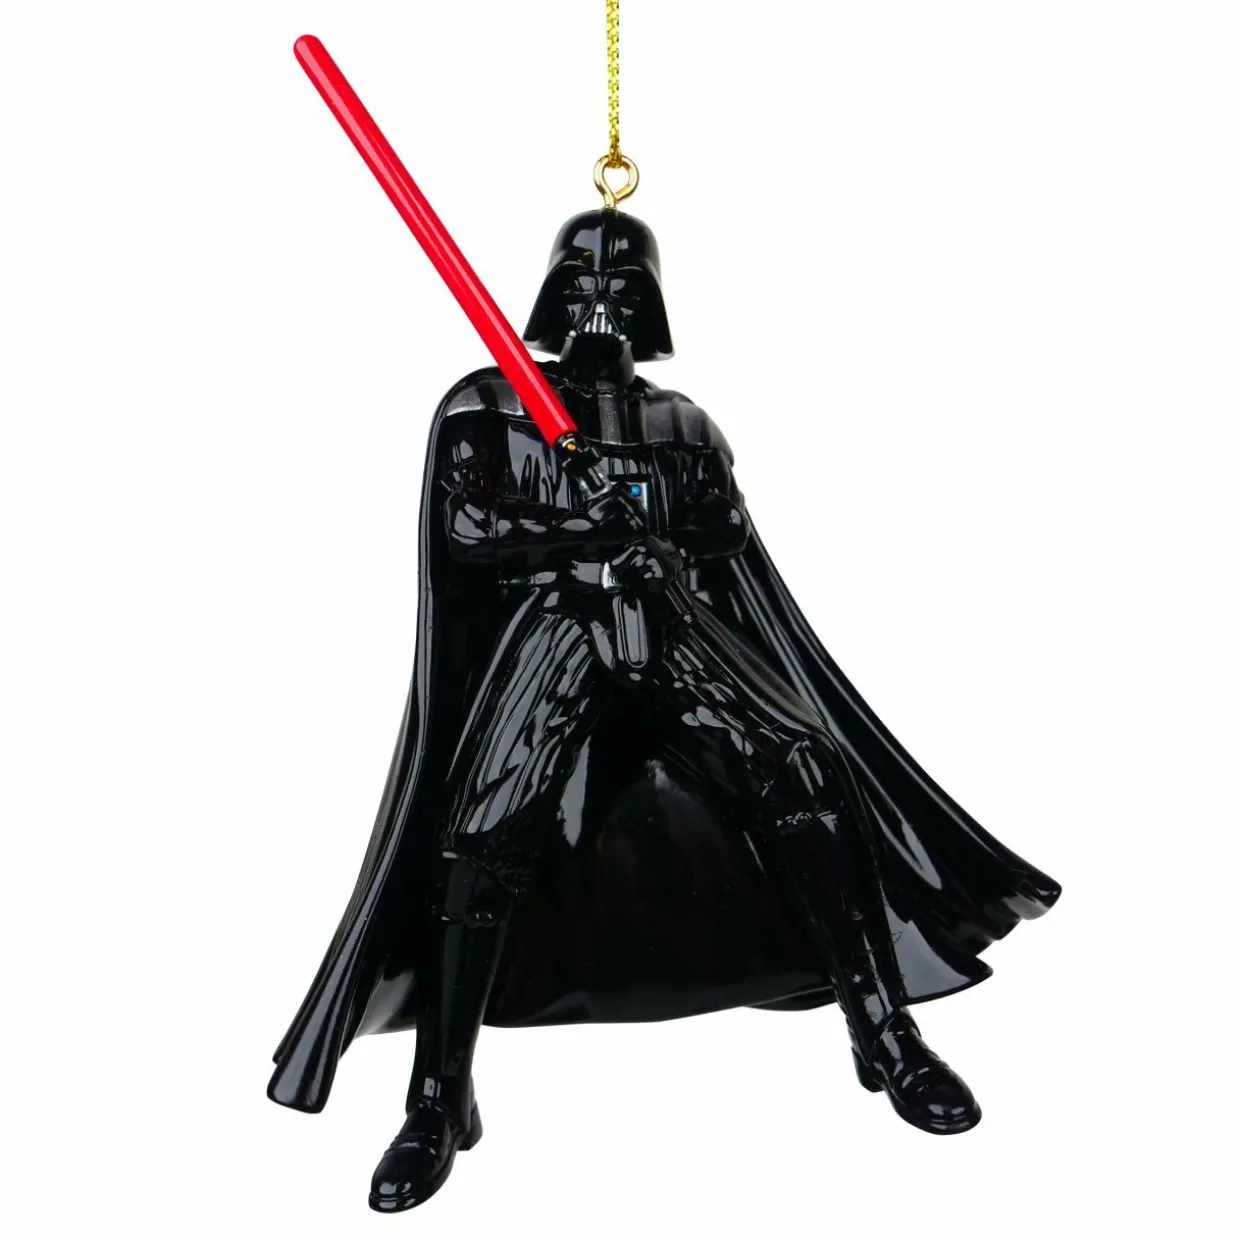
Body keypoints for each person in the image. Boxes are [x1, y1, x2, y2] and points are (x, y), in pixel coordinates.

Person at [268, 209, 1061, 1213]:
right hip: (557, 627)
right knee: (478, 837)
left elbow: (722, 522)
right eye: (582, 289)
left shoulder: (681, 422)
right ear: (551, 298)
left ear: (650, 306)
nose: (600, 309)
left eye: (622, 291)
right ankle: (439, 1096)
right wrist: (575, 524)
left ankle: (882, 1030)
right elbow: (465, 529)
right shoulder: (487, 403)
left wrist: (645, 514)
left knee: (806, 770)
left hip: (670, 619)